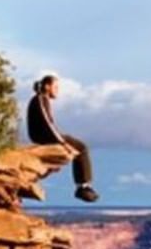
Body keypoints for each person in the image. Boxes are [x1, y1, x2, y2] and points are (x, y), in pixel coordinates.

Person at [27, 75, 99, 203]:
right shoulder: (40, 99)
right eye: (56, 87)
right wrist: (62, 142)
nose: (57, 90)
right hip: (43, 136)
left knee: (80, 147)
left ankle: (83, 186)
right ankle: (83, 187)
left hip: (45, 134)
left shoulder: (42, 99)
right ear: (47, 86)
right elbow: (47, 123)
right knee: (81, 147)